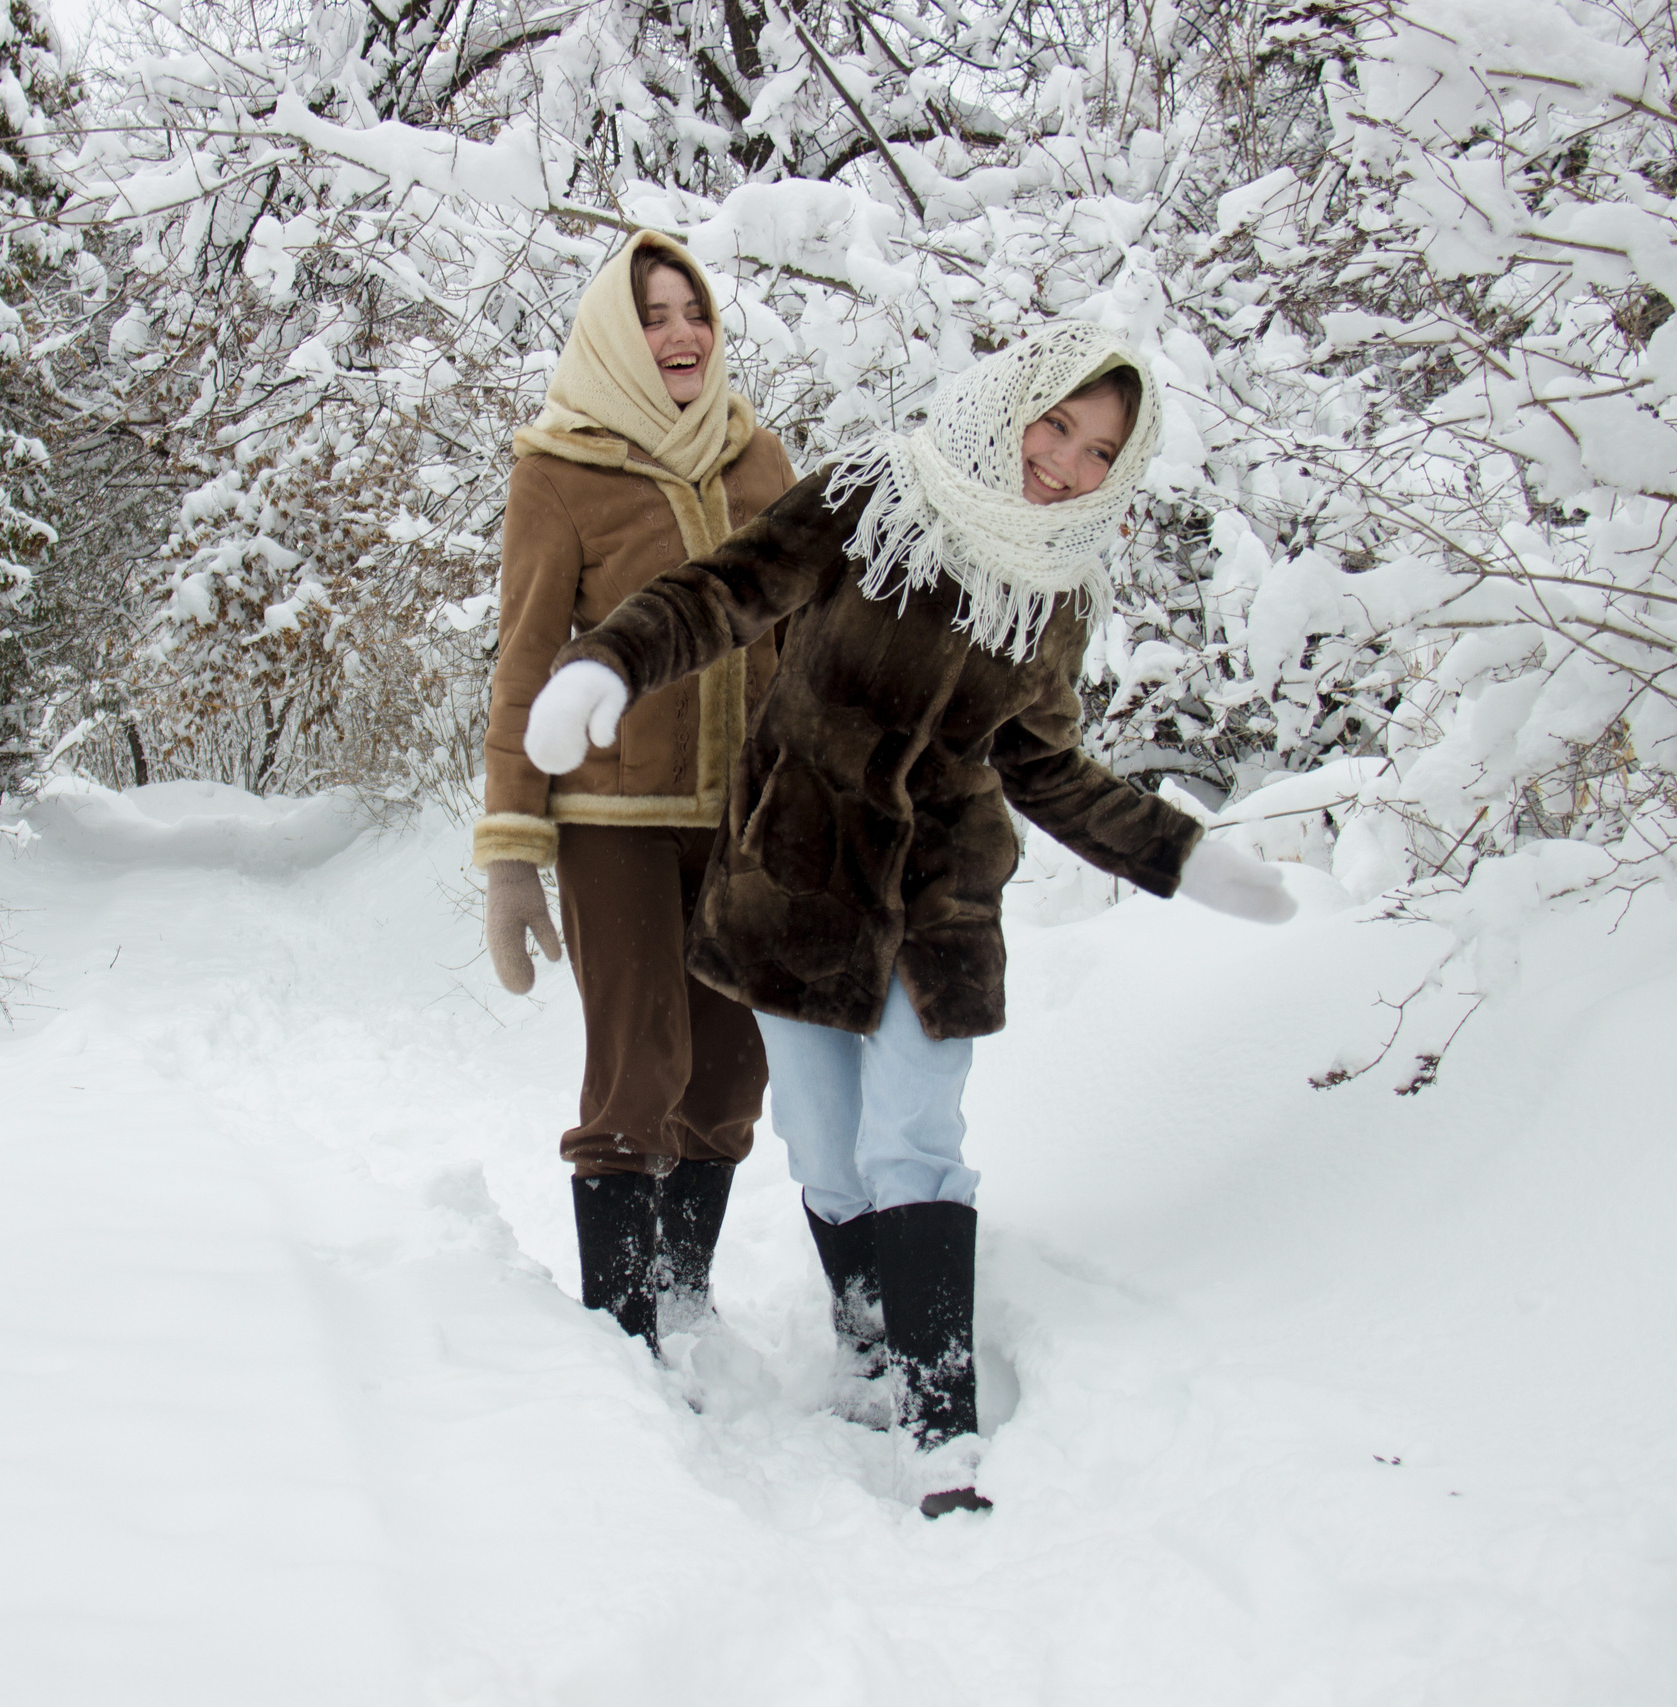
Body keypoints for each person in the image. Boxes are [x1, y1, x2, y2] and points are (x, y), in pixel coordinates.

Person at [521, 323, 1297, 1515]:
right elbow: (725, 593)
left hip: (938, 900)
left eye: (1099, 454)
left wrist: (1178, 855)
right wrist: (610, 666)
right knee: (825, 1153)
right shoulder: (877, 496)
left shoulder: (1054, 590)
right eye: (1057, 425)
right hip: (795, 882)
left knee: (914, 1145)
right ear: (1013, 403)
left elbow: (1044, 767)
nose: (1065, 466)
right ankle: (868, 1335)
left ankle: (945, 1426)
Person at [472, 231, 799, 1350]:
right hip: (613, 820)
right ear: (618, 333)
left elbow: (806, 636)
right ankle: (621, 1328)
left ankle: (683, 1290)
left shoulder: (757, 459)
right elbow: (524, 661)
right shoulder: (558, 469)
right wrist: (512, 852)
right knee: (638, 1065)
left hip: (747, 817)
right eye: (654, 314)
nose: (681, 334)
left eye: (694, 311)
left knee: (729, 1075)